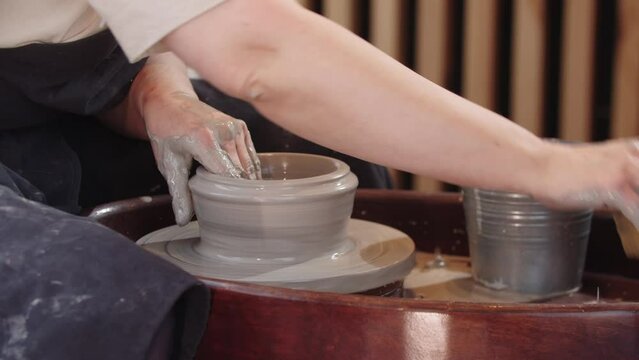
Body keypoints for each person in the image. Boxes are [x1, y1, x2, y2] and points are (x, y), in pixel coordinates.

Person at [1, 0, 638, 359]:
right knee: (87, 294)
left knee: (319, 155)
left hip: (42, 93)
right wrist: (544, 163)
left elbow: (124, 26)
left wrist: (155, 94)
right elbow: (256, 54)